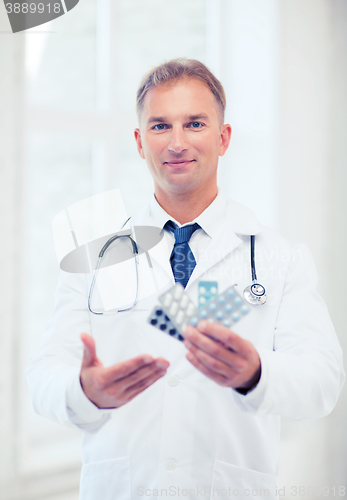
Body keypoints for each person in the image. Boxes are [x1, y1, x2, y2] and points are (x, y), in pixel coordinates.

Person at [27, 59, 345, 500]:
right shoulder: (96, 256)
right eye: (160, 127)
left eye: (194, 123)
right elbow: (43, 375)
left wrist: (257, 372)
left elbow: (323, 383)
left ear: (223, 137)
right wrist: (84, 390)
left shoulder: (279, 258)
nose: (177, 143)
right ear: (140, 143)